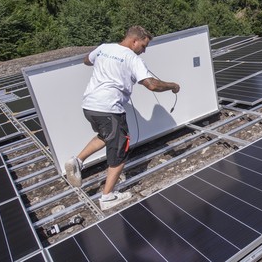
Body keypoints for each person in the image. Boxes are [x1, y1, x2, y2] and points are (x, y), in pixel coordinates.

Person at [65, 26, 180, 210]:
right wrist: (173, 86)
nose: (144, 50)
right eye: (143, 45)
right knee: (120, 149)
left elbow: (87, 60)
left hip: (89, 106)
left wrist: (106, 65)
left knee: (105, 135)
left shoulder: (104, 48)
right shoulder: (132, 58)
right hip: (109, 108)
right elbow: (151, 84)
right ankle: (108, 196)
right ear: (134, 41)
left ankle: (77, 161)